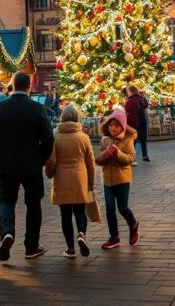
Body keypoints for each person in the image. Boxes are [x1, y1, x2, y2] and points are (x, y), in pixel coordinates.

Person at [0, 71, 55, 261]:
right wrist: (41, 158)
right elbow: (48, 137)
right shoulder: (37, 109)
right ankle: (31, 246)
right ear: (29, 86)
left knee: (7, 201)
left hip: (6, 165)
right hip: (31, 165)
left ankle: (7, 232)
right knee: (33, 204)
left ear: (12, 85)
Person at [44, 104, 96, 258]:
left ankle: (70, 248)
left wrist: (49, 173)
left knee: (65, 214)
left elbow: (51, 160)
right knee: (80, 211)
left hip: (62, 177)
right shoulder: (83, 137)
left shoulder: (55, 135)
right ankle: (81, 233)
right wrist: (91, 181)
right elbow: (90, 161)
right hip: (80, 176)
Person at [94, 107, 140, 249]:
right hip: (107, 180)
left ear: (122, 126)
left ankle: (133, 224)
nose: (113, 128)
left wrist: (117, 153)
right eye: (111, 125)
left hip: (122, 179)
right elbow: (98, 159)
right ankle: (114, 237)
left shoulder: (127, 139)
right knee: (109, 208)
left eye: (116, 125)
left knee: (122, 207)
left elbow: (131, 158)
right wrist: (104, 156)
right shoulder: (104, 139)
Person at [124, 86, 150, 162]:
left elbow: (128, 112)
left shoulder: (131, 100)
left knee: (132, 141)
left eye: (127, 91)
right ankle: (145, 155)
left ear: (130, 91)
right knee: (143, 139)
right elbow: (145, 105)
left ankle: (132, 157)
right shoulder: (141, 98)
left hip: (134, 123)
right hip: (143, 122)